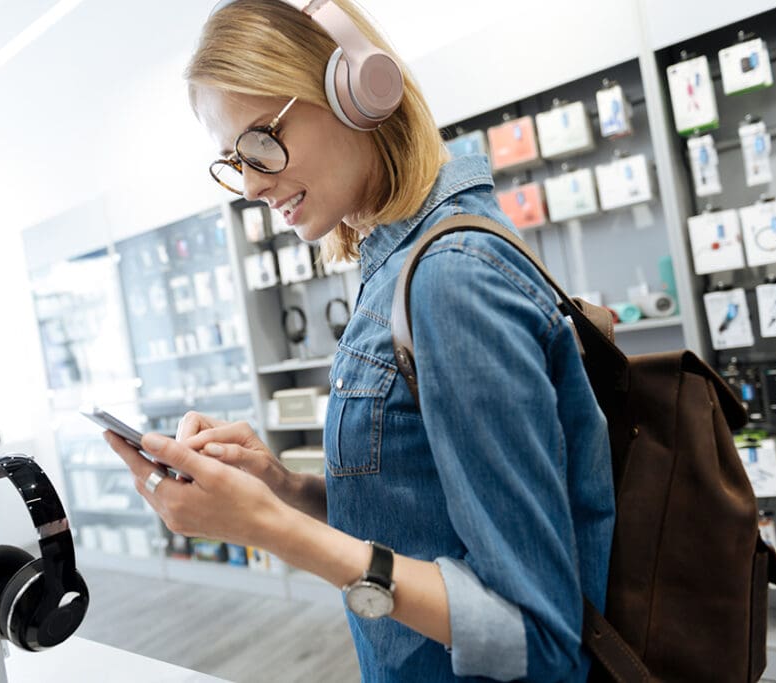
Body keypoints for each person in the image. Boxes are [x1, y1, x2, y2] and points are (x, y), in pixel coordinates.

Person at [104, 1, 615, 680]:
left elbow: (538, 638)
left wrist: (271, 528)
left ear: (357, 91)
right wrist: (280, 485)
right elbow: (418, 513)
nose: (253, 183)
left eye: (262, 140)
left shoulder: (448, 279)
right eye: (234, 160)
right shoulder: (397, 268)